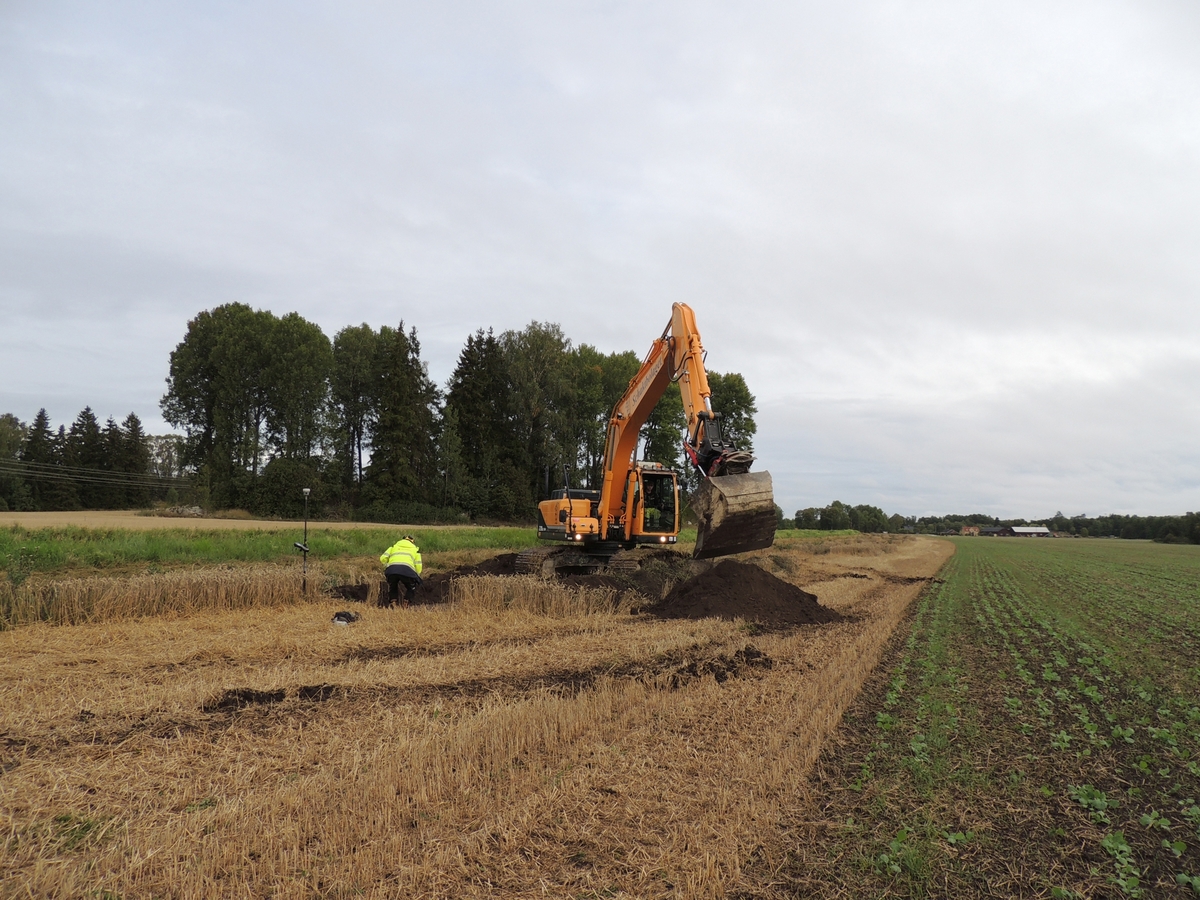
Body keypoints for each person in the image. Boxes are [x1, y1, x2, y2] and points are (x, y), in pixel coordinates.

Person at [379, 535, 422, 607]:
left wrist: (387, 566)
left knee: (393, 586)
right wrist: (416, 576)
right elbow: (418, 565)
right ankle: (406, 603)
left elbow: (382, 558)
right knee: (411, 587)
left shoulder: (393, 547)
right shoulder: (415, 550)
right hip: (407, 570)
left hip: (392, 569)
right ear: (412, 542)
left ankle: (393, 603)